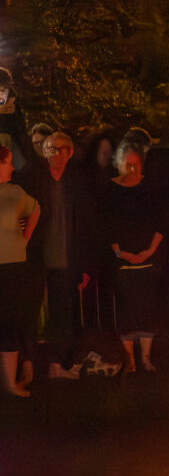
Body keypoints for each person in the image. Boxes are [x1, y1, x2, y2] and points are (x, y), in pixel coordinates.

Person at [17, 131, 100, 355]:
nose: (53, 153)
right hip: (37, 255)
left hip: (66, 256)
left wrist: (85, 265)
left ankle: (60, 358)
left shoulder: (78, 183)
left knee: (63, 311)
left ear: (70, 152)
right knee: (31, 310)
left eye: (59, 148)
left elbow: (85, 228)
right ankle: (29, 358)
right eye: (49, 149)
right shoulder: (33, 178)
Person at [105, 141, 164, 374]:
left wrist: (149, 251)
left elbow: (161, 222)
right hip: (122, 261)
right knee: (127, 310)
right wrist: (121, 253)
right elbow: (106, 225)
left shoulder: (149, 188)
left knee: (147, 309)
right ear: (118, 164)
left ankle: (146, 359)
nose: (131, 169)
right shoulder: (110, 190)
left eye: (135, 164)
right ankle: (129, 360)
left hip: (148, 258)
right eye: (127, 164)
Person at [0, 144, 39, 396]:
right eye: (8, 162)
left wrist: (24, 238)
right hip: (9, 264)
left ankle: (10, 382)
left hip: (13, 265)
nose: (13, 167)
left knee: (9, 322)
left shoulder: (15, 192)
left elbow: (35, 210)